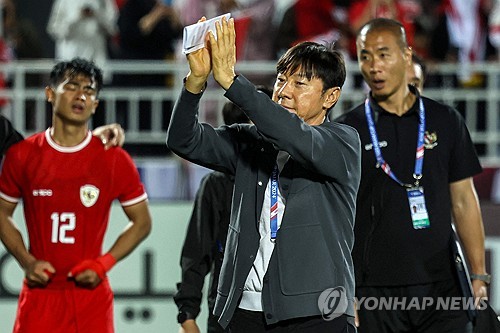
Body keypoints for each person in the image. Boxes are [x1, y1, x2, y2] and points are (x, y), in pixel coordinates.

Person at [167, 17, 360, 332]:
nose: (284, 92)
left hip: (316, 315)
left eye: (300, 84)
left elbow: (295, 136)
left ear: (330, 97)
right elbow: (183, 140)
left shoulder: (343, 142)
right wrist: (195, 82)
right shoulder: (252, 140)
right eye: (281, 80)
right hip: (242, 313)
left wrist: (231, 80)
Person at [335, 18, 488, 332]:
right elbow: (339, 218)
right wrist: (344, 287)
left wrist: (478, 275)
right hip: (374, 290)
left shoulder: (445, 120)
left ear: (406, 55)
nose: (373, 66)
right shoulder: (348, 129)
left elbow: (464, 202)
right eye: (365, 56)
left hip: (442, 287)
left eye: (383, 54)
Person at [0, 58, 152, 333]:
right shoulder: (22, 156)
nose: (81, 95)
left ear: (95, 104)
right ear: (49, 94)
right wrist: (26, 260)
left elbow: (142, 221)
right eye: (71, 86)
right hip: (39, 297)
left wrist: (103, 264)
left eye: (89, 91)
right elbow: (1, 212)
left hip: (90, 298)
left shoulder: (114, 159)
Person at [174, 86, 271, 333]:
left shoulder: (293, 176)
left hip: (282, 314)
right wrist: (187, 315)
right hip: (228, 314)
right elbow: (196, 253)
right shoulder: (217, 185)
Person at [47, 0, 118, 82]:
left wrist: (96, 15)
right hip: (70, 61)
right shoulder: (63, 1)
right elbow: (54, 29)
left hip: (97, 63)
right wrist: (77, 17)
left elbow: (113, 29)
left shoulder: (104, 2)